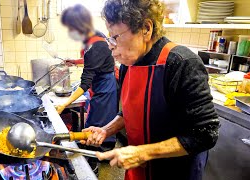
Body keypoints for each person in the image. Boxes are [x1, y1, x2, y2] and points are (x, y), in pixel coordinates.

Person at [80, 0, 220, 180]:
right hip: (138, 170)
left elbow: (206, 134)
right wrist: (105, 130)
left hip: (175, 173)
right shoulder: (128, 65)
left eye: (115, 37)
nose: (110, 47)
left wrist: (142, 153)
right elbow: (129, 113)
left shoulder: (181, 63)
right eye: (109, 38)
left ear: (146, 29)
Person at [56, 4, 118, 147]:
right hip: (99, 83)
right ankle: (94, 149)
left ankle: (99, 155)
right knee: (94, 122)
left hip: (105, 88)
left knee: (99, 124)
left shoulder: (96, 46)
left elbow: (85, 83)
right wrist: (76, 62)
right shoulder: (94, 36)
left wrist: (64, 104)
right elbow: (95, 62)